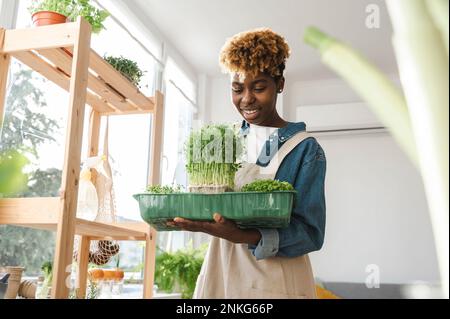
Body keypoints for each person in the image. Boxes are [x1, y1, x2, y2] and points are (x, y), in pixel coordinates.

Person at [167, 28, 326, 299]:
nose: (247, 99)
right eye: (237, 89)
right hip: (222, 269)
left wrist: (245, 235)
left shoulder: (305, 149)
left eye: (259, 87)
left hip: (276, 280)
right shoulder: (221, 139)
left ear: (280, 84)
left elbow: (311, 233)